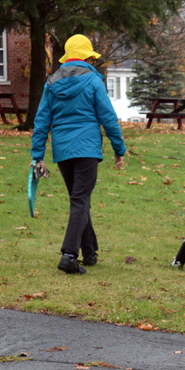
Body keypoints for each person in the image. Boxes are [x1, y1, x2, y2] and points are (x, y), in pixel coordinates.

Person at [30, 34, 126, 275]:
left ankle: (89, 253)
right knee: (80, 200)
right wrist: (119, 150)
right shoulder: (93, 82)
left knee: (79, 200)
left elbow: (41, 121)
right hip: (87, 150)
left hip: (63, 152)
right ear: (87, 58)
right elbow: (108, 118)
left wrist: (37, 154)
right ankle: (69, 256)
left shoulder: (51, 83)